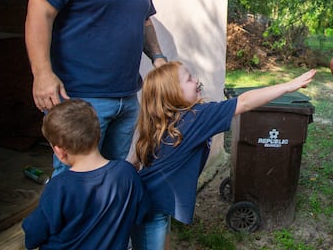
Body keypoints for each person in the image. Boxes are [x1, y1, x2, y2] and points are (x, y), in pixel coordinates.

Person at [24, 0, 167, 176]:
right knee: (74, 183)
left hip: (127, 98)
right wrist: (42, 74)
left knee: (113, 178)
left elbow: (144, 21)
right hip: (80, 99)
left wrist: (159, 58)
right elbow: (39, 15)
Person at [128, 61, 316, 250]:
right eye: (189, 79)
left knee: (162, 236)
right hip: (149, 208)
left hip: (150, 201)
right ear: (172, 93)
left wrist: (133, 162)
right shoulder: (196, 117)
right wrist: (288, 86)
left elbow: (142, 143)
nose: (196, 81)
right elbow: (244, 101)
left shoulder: (168, 119)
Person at [22, 99, 150, 250]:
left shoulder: (59, 187)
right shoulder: (127, 173)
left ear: (59, 152)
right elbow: (142, 213)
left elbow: (35, 233)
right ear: (98, 134)